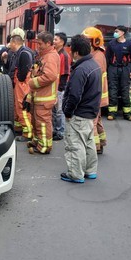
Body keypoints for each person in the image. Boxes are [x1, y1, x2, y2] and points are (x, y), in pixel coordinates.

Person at [60, 34, 101, 184]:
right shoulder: (94, 65)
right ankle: (90, 170)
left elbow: (74, 95)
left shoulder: (80, 69)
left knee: (74, 144)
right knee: (88, 142)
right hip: (90, 112)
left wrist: (68, 111)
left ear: (76, 52)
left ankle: (75, 174)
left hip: (78, 113)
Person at [26, 31, 59, 155]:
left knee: (43, 123)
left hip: (45, 98)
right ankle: (37, 141)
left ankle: (44, 146)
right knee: (37, 122)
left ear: (48, 43)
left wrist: (32, 82)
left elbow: (50, 76)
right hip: (39, 96)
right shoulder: (44, 55)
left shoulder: (50, 57)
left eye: (40, 44)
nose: (38, 46)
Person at [83, 27, 108, 154]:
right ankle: (101, 142)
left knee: (92, 122)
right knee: (97, 120)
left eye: (88, 41)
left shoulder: (97, 57)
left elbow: (92, 78)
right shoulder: (97, 55)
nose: (86, 44)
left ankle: (94, 146)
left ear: (95, 42)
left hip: (95, 96)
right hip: (98, 95)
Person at [6, 34, 34, 141]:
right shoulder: (21, 52)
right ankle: (19, 128)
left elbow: (23, 72)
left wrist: (19, 79)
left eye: (11, 43)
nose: (10, 46)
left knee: (22, 107)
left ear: (14, 43)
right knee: (17, 107)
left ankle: (27, 133)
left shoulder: (23, 54)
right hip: (21, 84)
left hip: (23, 85)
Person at [105, 25, 131, 121]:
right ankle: (112, 113)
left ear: (122, 33)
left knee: (125, 91)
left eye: (117, 31)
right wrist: (105, 71)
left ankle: (127, 114)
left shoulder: (130, 44)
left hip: (125, 69)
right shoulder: (111, 44)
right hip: (113, 69)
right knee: (112, 90)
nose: (115, 33)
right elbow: (106, 59)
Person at [52, 32, 70, 141]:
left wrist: (60, 88)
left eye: (56, 40)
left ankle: (60, 131)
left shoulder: (64, 55)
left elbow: (65, 74)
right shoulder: (55, 53)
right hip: (55, 86)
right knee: (54, 111)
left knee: (59, 111)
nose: (54, 41)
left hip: (60, 87)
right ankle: (55, 129)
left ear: (62, 42)